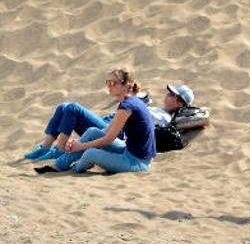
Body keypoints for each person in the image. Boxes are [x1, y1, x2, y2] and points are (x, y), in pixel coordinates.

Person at [24, 81, 194, 161]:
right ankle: (44, 147)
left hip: (114, 132)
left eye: (173, 95)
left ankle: (59, 150)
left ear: (180, 103)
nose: (168, 95)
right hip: (109, 124)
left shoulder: (163, 117)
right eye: (169, 92)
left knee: (72, 108)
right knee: (63, 106)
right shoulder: (157, 110)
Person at [33, 69, 157, 174]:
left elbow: (108, 139)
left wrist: (80, 146)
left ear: (125, 85)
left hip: (137, 162)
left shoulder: (128, 106)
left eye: (113, 83)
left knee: (90, 154)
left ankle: (75, 169)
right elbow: (106, 130)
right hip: (128, 150)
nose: (109, 86)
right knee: (92, 131)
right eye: (107, 82)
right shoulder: (127, 102)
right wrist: (77, 142)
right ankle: (59, 165)